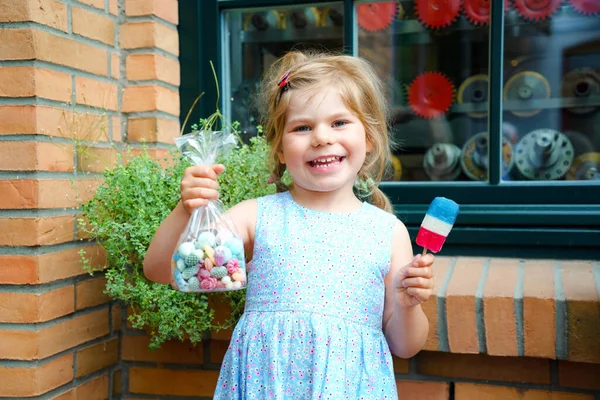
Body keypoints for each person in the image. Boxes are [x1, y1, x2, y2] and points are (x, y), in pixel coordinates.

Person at [143, 50, 435, 399]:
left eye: (339, 122)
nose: (322, 137)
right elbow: (162, 270)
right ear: (280, 149)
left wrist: (407, 305)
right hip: (266, 386)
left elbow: (405, 346)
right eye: (302, 127)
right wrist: (186, 210)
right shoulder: (257, 217)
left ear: (369, 138)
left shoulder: (387, 233)